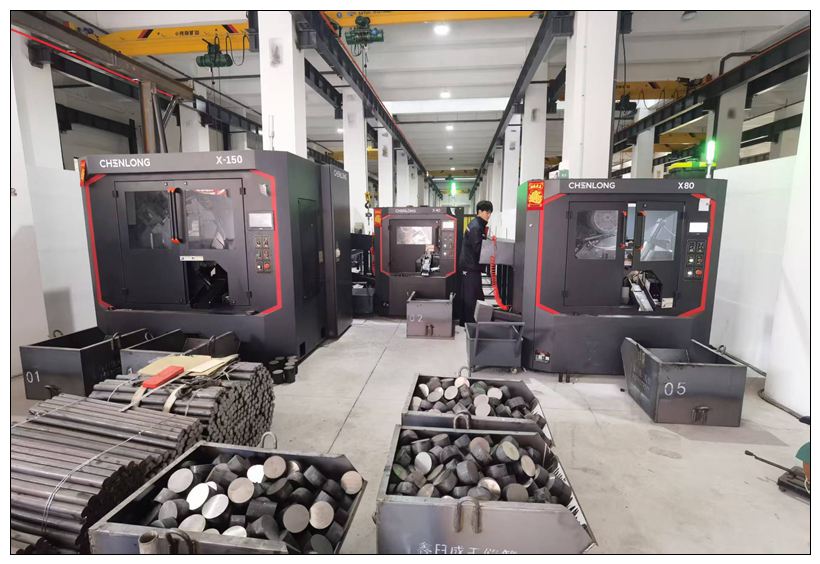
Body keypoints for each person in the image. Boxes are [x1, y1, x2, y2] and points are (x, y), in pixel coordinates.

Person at [459, 200, 493, 326]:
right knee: (471, 296)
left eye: (490, 213)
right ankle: (470, 324)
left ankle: (466, 321)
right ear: (479, 211)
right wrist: (491, 251)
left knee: (473, 294)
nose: (489, 215)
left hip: (470, 266)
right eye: (487, 212)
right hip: (470, 266)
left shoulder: (476, 224)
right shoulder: (476, 227)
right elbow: (478, 248)